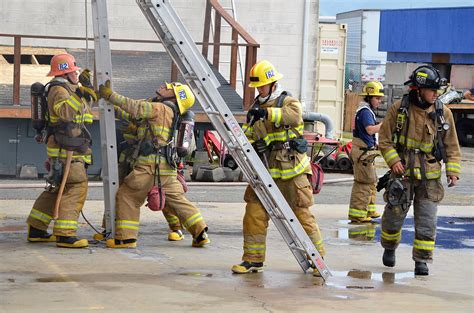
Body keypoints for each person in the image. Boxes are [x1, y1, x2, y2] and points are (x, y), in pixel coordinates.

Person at [231, 60, 325, 275]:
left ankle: (317, 260)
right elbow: (248, 134)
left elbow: (293, 117)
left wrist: (267, 114)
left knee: (302, 215)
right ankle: (252, 259)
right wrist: (250, 146)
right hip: (265, 172)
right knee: (253, 213)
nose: (258, 89)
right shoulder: (256, 108)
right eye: (256, 86)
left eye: (262, 86)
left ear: (273, 83)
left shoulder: (288, 101)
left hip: (293, 172)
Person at [98, 80, 209, 248]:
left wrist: (111, 95)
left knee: (127, 196)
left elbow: (135, 107)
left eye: (167, 88)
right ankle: (200, 233)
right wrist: (109, 103)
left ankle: (126, 239)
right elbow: (131, 115)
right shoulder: (171, 113)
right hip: (167, 170)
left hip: (149, 168)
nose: (163, 86)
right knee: (177, 200)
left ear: (174, 96)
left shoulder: (160, 109)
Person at [378, 65, 461, 276]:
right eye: (432, 90)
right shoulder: (399, 110)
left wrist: (453, 171)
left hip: (429, 178)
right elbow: (385, 140)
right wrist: (394, 161)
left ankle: (421, 261)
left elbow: (452, 145)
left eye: (437, 90)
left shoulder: (444, 113)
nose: (436, 94)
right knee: (393, 216)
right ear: (419, 89)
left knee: (427, 222)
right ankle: (389, 247)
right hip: (402, 175)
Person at [26, 53, 96, 248]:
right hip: (67, 150)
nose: (77, 73)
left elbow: (83, 111)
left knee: (57, 189)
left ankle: (37, 229)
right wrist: (80, 94)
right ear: (66, 73)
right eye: (74, 70)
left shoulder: (67, 88)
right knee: (76, 187)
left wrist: (87, 89)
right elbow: (66, 113)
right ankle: (65, 234)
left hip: (68, 147)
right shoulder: (59, 89)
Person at [347, 81, 384, 223]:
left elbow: (366, 134)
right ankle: (357, 214)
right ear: (369, 97)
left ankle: (369, 209)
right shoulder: (365, 112)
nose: (379, 101)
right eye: (377, 98)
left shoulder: (366, 110)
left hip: (366, 151)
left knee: (372, 180)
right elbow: (369, 129)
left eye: (380, 98)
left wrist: (375, 143)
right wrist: (384, 125)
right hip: (362, 153)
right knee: (363, 182)